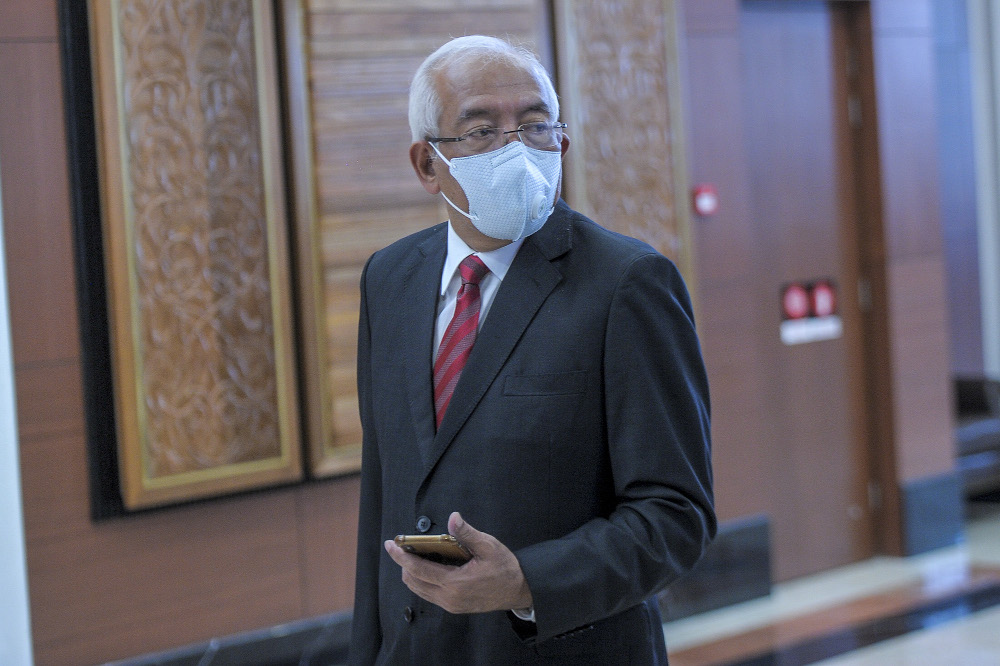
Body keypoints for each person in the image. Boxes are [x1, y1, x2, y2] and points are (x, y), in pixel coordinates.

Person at [349, 34, 715, 665]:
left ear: (561, 144)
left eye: (535, 125)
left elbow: (676, 515)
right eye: (483, 130)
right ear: (427, 164)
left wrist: (525, 582)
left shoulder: (626, 284)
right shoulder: (390, 279)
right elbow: (384, 494)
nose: (515, 148)